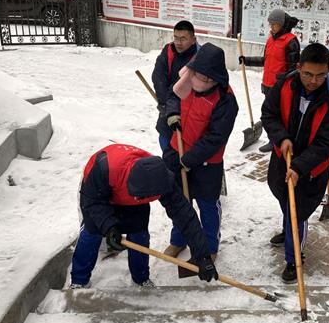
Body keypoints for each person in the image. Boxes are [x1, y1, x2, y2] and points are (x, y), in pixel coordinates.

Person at [69, 144, 218, 289]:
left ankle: (141, 278)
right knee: (92, 232)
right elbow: (93, 202)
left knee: (139, 233)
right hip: (97, 194)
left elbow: (185, 216)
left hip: (133, 193)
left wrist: (202, 257)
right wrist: (109, 228)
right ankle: (79, 280)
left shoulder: (162, 179)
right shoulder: (105, 168)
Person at [261, 43, 329, 283]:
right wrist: (281, 137)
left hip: (311, 168)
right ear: (298, 68)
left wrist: (299, 167)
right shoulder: (285, 85)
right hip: (282, 157)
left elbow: (326, 143)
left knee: (298, 211)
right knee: (282, 194)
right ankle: (289, 231)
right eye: (308, 74)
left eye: (321, 75)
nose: (313, 81)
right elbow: (269, 113)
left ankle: (293, 258)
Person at [162, 43, 238, 259]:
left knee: (207, 207)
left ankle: (209, 246)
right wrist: (173, 114)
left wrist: (190, 159)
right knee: (181, 202)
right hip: (178, 151)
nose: (202, 82)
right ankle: (179, 240)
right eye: (199, 76)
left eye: (208, 79)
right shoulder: (187, 79)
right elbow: (172, 96)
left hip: (207, 163)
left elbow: (216, 137)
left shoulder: (226, 100)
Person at [239, 9, 301, 152]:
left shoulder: (291, 42)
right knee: (269, 114)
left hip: (281, 87)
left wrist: (282, 81)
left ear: (282, 25)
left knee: (279, 115)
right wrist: (246, 60)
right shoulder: (271, 39)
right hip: (268, 84)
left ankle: (275, 141)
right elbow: (265, 61)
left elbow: (293, 69)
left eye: (274, 24)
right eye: (270, 24)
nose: (271, 27)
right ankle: (272, 139)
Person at [152, 20, 199, 151]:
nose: (178, 42)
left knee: (187, 149)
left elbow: (184, 85)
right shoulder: (168, 50)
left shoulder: (199, 57)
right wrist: (165, 104)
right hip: (167, 106)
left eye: (183, 38)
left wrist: (173, 107)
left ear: (193, 39)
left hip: (189, 110)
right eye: (176, 38)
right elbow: (158, 76)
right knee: (165, 139)